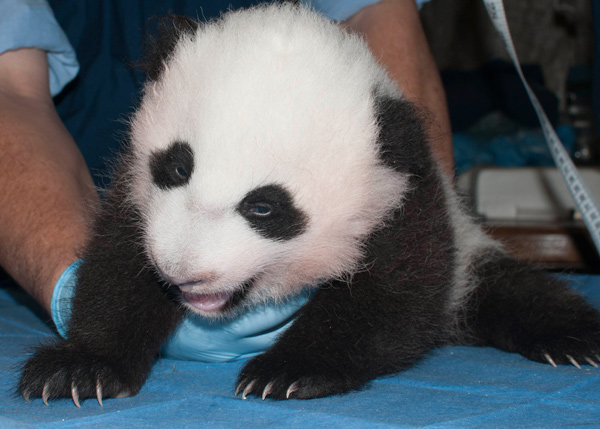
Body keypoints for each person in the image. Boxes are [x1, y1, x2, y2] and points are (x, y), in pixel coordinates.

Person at [0, 0, 453, 361]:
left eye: (262, 208)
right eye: (176, 171)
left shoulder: (378, 162)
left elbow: (379, 14)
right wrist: (88, 317)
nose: (182, 259)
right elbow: (9, 92)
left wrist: (334, 349)